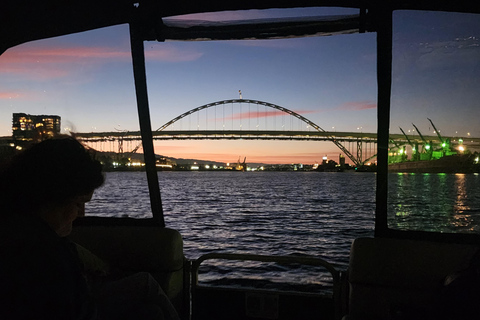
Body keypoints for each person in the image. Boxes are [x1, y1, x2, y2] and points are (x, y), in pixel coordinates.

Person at [0, 136, 179, 320]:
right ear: (48, 198)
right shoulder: (45, 255)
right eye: (78, 204)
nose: (81, 214)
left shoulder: (18, 233)